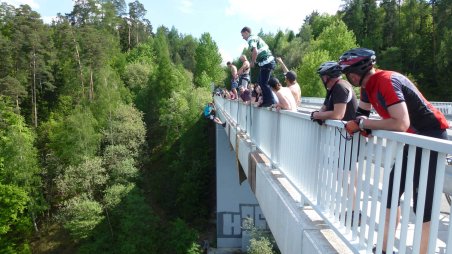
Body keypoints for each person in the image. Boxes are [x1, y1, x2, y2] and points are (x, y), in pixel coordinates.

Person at [339, 48, 449, 254]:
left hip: (432, 137)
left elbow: (401, 122)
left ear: (361, 69)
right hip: (416, 138)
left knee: (423, 204)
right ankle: (384, 248)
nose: (349, 77)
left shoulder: (385, 81)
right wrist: (362, 124)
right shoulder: (367, 86)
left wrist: (364, 125)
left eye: (350, 72)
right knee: (391, 191)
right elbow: (360, 116)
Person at [241, 26, 276, 107]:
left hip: (267, 62)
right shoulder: (256, 37)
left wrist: (253, 62)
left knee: (263, 83)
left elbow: (255, 51)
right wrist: (256, 60)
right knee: (261, 82)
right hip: (267, 62)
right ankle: (266, 100)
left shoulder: (250, 39)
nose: (243, 38)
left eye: (243, 35)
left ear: (246, 32)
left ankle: (270, 101)